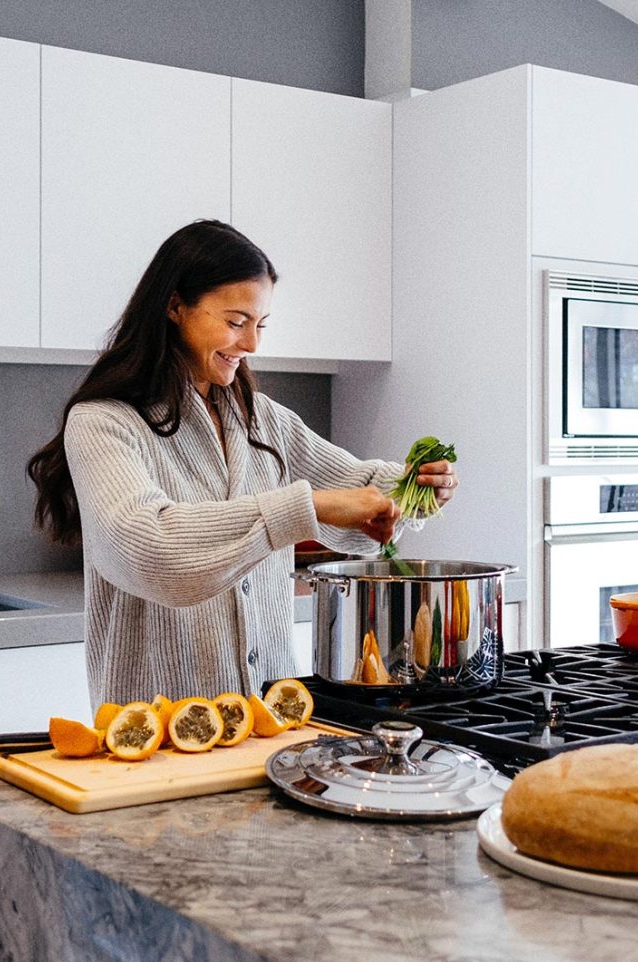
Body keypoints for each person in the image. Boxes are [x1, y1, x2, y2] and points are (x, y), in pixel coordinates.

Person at [27, 220, 458, 711]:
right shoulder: (104, 423)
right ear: (174, 307)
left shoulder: (263, 419)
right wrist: (305, 508)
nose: (252, 344)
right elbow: (150, 549)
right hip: (156, 731)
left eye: (260, 324)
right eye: (236, 321)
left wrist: (416, 487)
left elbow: (357, 487)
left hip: (270, 719)